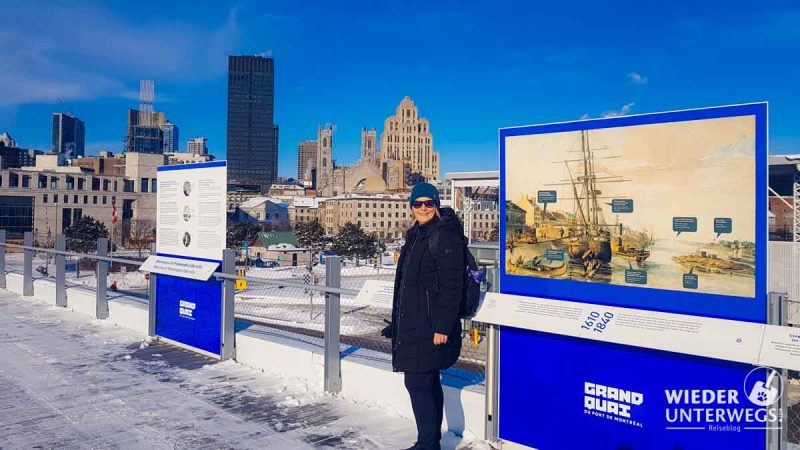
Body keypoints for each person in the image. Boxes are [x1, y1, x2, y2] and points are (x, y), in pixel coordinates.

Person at [382, 182, 464, 450]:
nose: (423, 208)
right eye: (418, 204)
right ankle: (429, 442)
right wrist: (397, 323)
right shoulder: (416, 234)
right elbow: (408, 284)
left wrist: (443, 326)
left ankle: (427, 444)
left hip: (431, 326)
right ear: (411, 207)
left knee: (419, 382)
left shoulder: (444, 235)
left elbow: (453, 286)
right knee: (424, 382)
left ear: (437, 205)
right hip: (415, 322)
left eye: (429, 203)